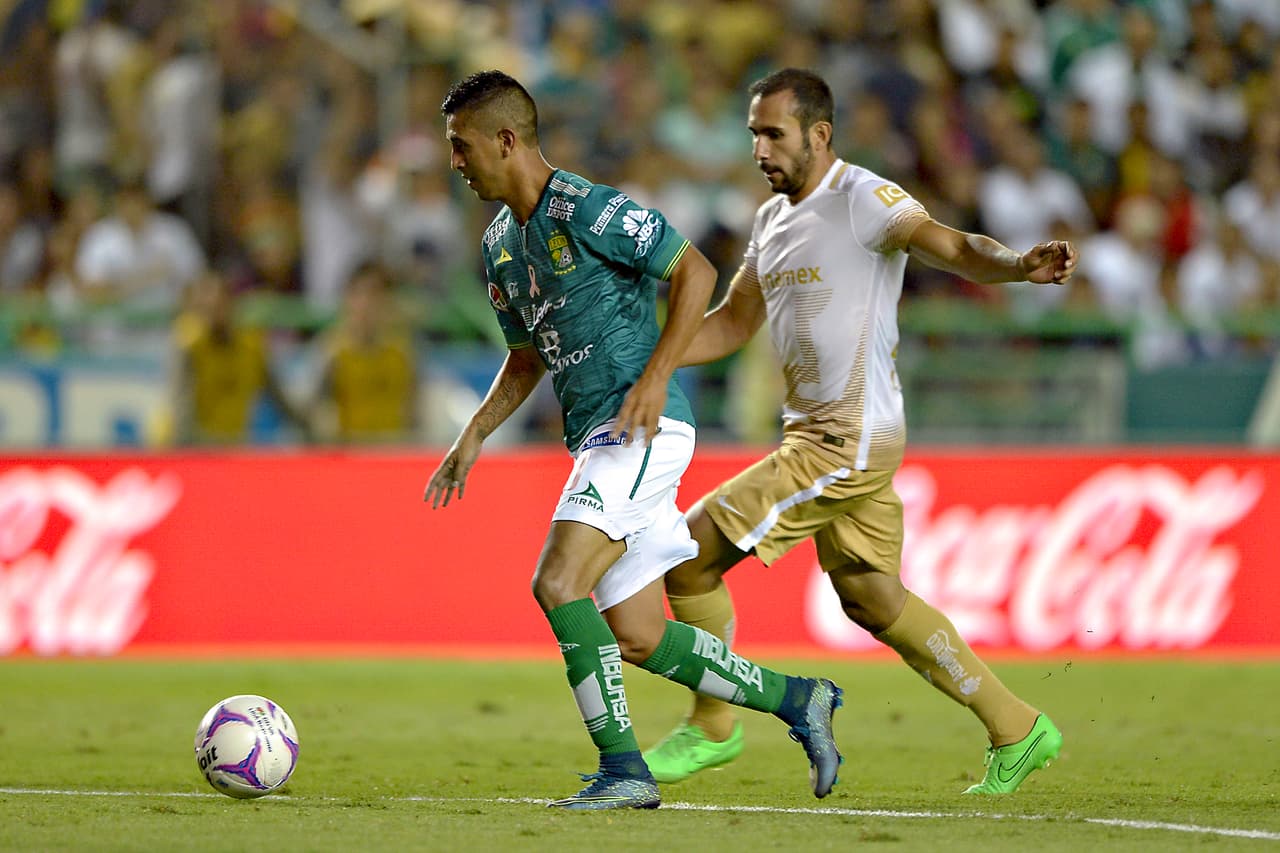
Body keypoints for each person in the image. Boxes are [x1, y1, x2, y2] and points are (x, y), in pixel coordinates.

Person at [643, 68, 1076, 796]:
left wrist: (1015, 264)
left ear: (819, 134)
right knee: (870, 595)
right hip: (823, 435)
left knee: (687, 557)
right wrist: (649, 356)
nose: (759, 148)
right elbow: (732, 324)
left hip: (844, 439)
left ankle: (713, 725)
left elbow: (955, 245)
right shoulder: (771, 221)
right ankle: (1017, 725)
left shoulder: (864, 198)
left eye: (773, 133)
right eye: (753, 133)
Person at [424, 70, 842, 811]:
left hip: (640, 425)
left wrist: (653, 378)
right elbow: (527, 359)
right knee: (643, 634)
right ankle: (800, 698)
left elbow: (695, 269)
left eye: (461, 146)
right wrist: (474, 433)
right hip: (600, 436)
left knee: (557, 583)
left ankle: (623, 767)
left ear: (506, 140)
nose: (454, 161)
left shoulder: (586, 206)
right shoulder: (498, 248)